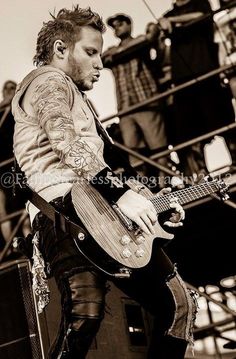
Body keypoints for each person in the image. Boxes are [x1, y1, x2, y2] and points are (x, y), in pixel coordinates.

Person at [12, 6, 197, 358]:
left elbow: (103, 165)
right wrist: (121, 195)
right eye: (91, 52)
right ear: (61, 50)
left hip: (97, 207)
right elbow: (64, 141)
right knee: (92, 316)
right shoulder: (49, 80)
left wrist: (150, 204)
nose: (100, 64)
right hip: (66, 209)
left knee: (177, 305)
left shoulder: (77, 96)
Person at [159, 0, 235, 175]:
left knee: (223, 121)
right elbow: (158, 32)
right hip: (182, 80)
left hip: (207, 72)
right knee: (188, 129)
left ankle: (235, 162)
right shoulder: (168, 15)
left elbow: (202, 16)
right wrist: (161, 26)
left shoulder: (199, 4)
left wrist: (172, 22)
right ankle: (200, 173)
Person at [102, 14, 168, 189]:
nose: (117, 27)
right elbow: (102, 58)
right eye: (114, 26)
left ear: (130, 24)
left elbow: (150, 38)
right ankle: (145, 190)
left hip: (146, 100)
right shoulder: (111, 51)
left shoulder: (140, 42)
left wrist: (121, 53)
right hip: (125, 107)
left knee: (158, 147)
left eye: (121, 23)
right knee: (134, 152)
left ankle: (165, 186)